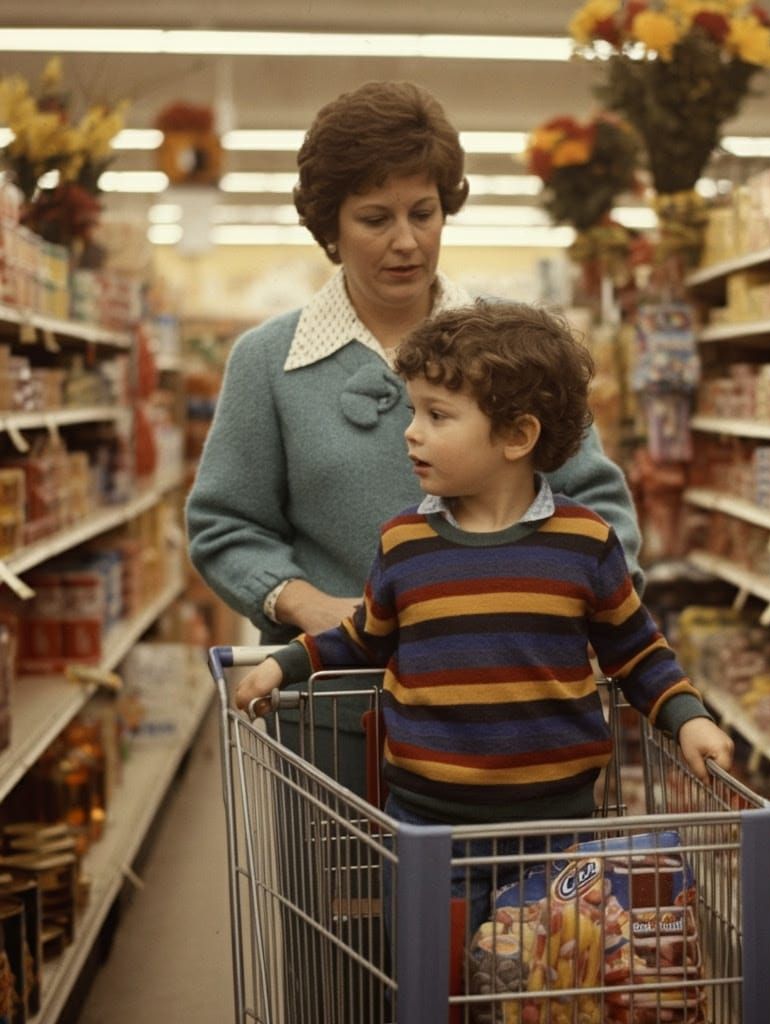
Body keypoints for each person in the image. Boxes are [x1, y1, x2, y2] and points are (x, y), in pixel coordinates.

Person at [233, 300, 735, 939]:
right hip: (427, 831)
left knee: (548, 993)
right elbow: (365, 637)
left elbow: (636, 652)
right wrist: (287, 660)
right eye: (413, 410)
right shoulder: (403, 544)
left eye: (437, 415)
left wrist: (687, 718)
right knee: (431, 987)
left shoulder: (584, 543)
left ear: (517, 436)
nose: (410, 431)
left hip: (558, 836)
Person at [186, 79, 644, 656]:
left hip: (507, 693)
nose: (407, 241)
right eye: (376, 220)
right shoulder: (268, 362)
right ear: (331, 226)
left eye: (423, 213)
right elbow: (225, 524)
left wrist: (581, 606)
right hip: (332, 702)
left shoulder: (516, 346)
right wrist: (302, 600)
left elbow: (596, 503)